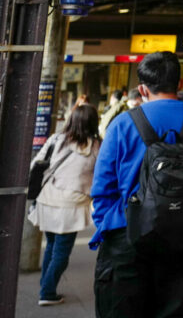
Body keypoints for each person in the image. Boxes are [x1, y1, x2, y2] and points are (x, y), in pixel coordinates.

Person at [91, 51, 183, 318]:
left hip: (125, 233)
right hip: (175, 233)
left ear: (142, 88)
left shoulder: (123, 123)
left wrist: (107, 226)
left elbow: (102, 188)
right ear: (180, 82)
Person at [29, 104, 101, 307]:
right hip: (72, 206)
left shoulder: (56, 139)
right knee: (61, 252)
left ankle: (46, 287)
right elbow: (101, 177)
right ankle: (47, 291)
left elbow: (36, 165)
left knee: (52, 245)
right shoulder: (96, 146)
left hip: (47, 200)